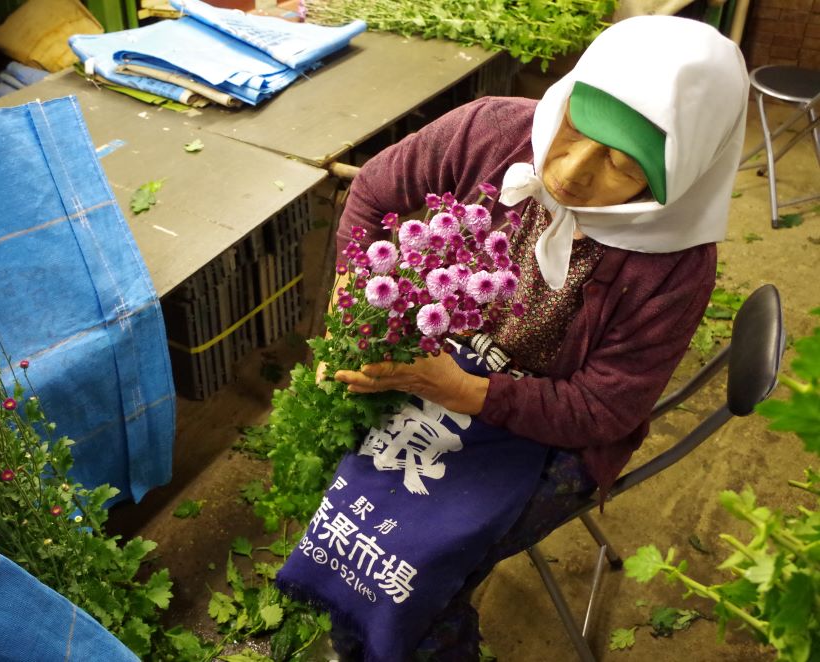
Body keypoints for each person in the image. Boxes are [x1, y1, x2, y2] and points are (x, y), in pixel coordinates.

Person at [275, 15, 749, 661]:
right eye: (577, 128)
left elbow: (604, 408)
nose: (572, 172)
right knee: (351, 504)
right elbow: (372, 190)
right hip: (446, 365)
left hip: (551, 426)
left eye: (621, 163)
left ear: (679, 176)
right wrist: (350, 303)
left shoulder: (676, 263)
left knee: (426, 573)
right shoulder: (493, 130)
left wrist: (467, 391)